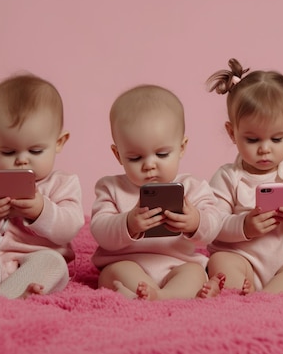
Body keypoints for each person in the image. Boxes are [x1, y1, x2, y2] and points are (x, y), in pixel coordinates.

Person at [0, 73, 84, 298]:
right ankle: (0, 302)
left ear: (59, 142)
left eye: (36, 151)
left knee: (55, 262)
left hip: (28, 267)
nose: (21, 160)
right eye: (7, 152)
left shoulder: (63, 183)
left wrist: (41, 211)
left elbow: (70, 227)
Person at [199, 58, 283, 297]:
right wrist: (244, 225)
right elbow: (212, 224)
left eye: (277, 139)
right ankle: (240, 289)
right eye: (252, 139)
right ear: (232, 132)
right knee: (222, 263)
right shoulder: (228, 177)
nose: (265, 149)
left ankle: (269, 296)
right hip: (242, 257)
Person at [90, 84, 221, 300]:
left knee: (196, 272)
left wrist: (196, 222)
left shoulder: (192, 187)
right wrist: (128, 224)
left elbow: (214, 226)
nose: (149, 165)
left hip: (177, 265)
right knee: (112, 274)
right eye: (135, 158)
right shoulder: (110, 187)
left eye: (161, 154)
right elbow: (99, 231)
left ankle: (158, 297)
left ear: (181, 147)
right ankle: (164, 296)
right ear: (118, 154)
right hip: (130, 264)